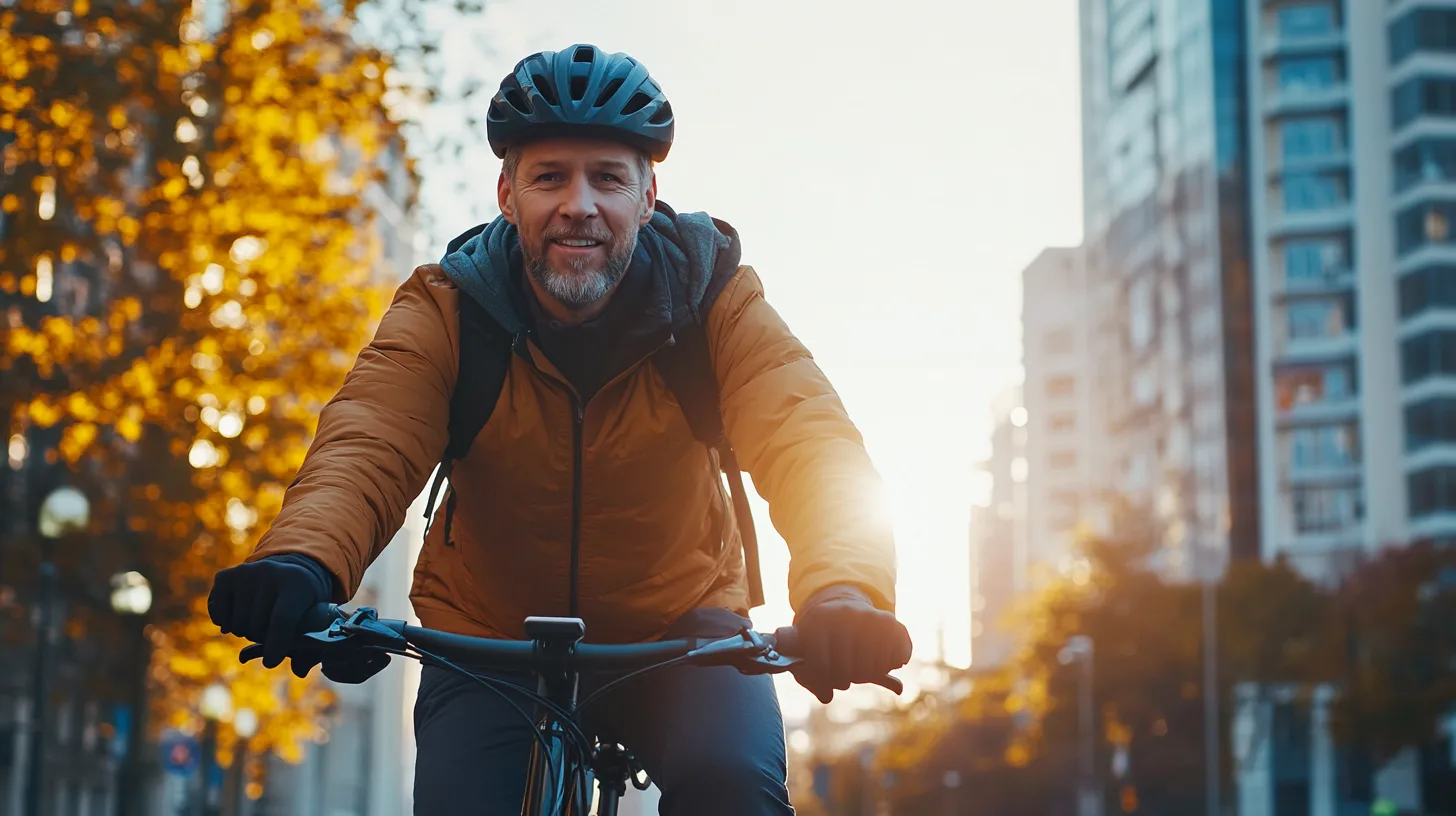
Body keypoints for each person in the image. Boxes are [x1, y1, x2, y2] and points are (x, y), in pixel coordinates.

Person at [207, 43, 911, 815]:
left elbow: (807, 435)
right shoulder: (448, 309)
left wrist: (844, 587)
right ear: (507, 194)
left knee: (732, 788)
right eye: (550, 177)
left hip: (684, 635)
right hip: (491, 642)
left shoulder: (716, 303)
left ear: (647, 198)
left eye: (608, 177)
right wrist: (303, 562)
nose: (580, 203)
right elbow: (367, 442)